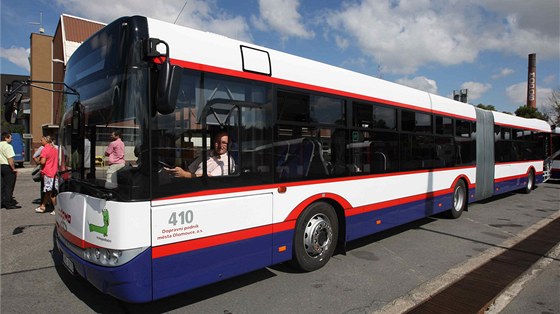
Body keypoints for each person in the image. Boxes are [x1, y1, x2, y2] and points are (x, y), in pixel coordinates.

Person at [165, 132, 235, 178]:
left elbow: (211, 177)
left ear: (229, 145)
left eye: (224, 143)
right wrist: (177, 172)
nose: (220, 145)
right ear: (214, 142)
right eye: (217, 142)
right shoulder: (207, 153)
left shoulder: (228, 161)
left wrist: (185, 175)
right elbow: (190, 170)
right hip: (193, 185)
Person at [35, 136, 59, 214]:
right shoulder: (55, 149)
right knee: (48, 190)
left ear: (46, 140)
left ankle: (56, 208)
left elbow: (43, 162)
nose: (40, 141)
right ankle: (43, 206)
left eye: (41, 140)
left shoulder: (45, 149)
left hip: (48, 172)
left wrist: (38, 161)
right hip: (54, 172)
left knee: (50, 191)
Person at [1, 132, 21, 209]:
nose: (11, 139)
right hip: (6, 167)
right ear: (6, 138)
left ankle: (2, 201)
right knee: (9, 185)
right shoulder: (8, 146)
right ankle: (8, 203)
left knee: (1, 185)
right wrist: (13, 169)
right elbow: (10, 159)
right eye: (10, 138)